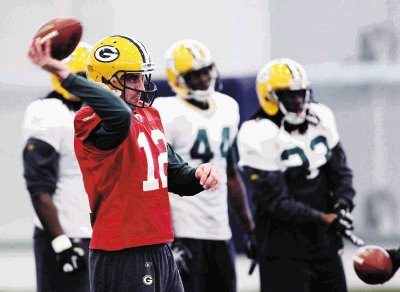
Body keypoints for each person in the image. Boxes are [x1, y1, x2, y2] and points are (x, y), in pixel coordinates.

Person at [28, 35, 221, 292]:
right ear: (106, 83)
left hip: (159, 245)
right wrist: (66, 75)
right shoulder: (89, 118)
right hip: (122, 251)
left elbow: (172, 172)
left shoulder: (149, 114)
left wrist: (199, 174)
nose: (141, 84)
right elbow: (119, 115)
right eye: (132, 78)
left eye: (141, 76)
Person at [237, 58, 357, 292]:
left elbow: (341, 172)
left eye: (301, 93)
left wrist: (343, 205)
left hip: (324, 245)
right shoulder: (256, 131)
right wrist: (323, 218)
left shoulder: (320, 116)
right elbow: (275, 202)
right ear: (270, 97)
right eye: (289, 95)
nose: (298, 101)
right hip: (283, 248)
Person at [153, 39, 255, 292]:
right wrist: (169, 237)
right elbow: (158, 180)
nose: (203, 78)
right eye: (194, 74)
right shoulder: (165, 111)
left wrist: (250, 228)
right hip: (184, 229)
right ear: (178, 79)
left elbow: (231, 174)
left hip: (220, 230)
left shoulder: (228, 107)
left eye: (205, 71)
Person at [22, 43, 92, 292]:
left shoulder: (100, 112)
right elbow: (38, 186)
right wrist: (61, 242)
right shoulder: (48, 113)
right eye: (81, 78)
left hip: (100, 234)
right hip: (68, 234)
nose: (87, 85)